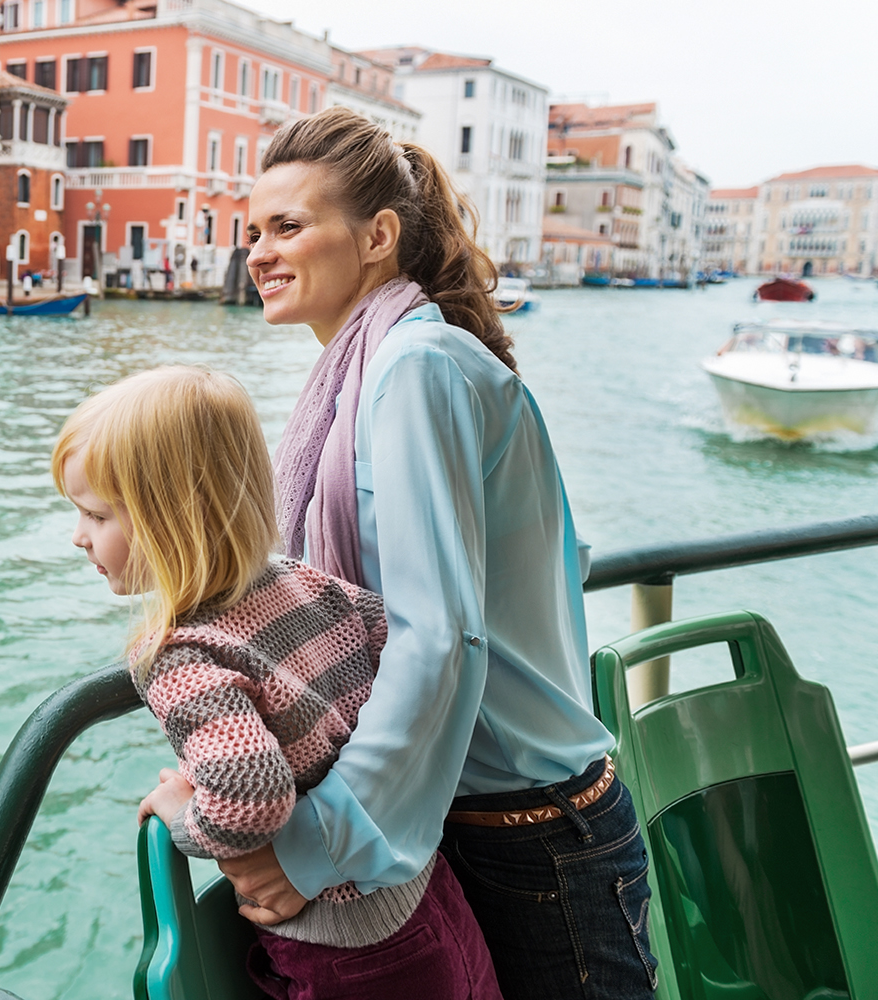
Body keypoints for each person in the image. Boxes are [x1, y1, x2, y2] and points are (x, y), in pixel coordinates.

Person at [222, 106, 659, 1000]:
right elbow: (552, 559)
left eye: (288, 227)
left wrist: (317, 844)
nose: (257, 252)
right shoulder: (389, 367)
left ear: (378, 235)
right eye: (252, 231)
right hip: (499, 824)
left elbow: (438, 635)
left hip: (535, 837)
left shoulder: (413, 371)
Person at [51, 366, 503, 1000]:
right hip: (425, 893)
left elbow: (248, 791)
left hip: (349, 953)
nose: (78, 537)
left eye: (95, 515)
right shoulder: (301, 582)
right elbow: (388, 646)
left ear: (170, 519)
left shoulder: (181, 654)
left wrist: (184, 819)